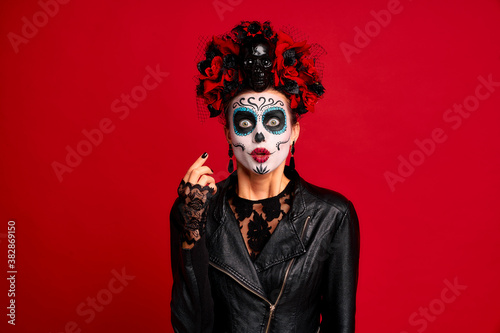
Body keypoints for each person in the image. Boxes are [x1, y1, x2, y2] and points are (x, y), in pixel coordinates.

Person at [170, 21, 360, 333]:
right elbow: (191, 326)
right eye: (245, 123)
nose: (260, 135)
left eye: (273, 121)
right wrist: (191, 227)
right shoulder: (196, 211)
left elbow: (341, 326)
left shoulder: (332, 216)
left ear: (295, 130)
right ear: (228, 132)